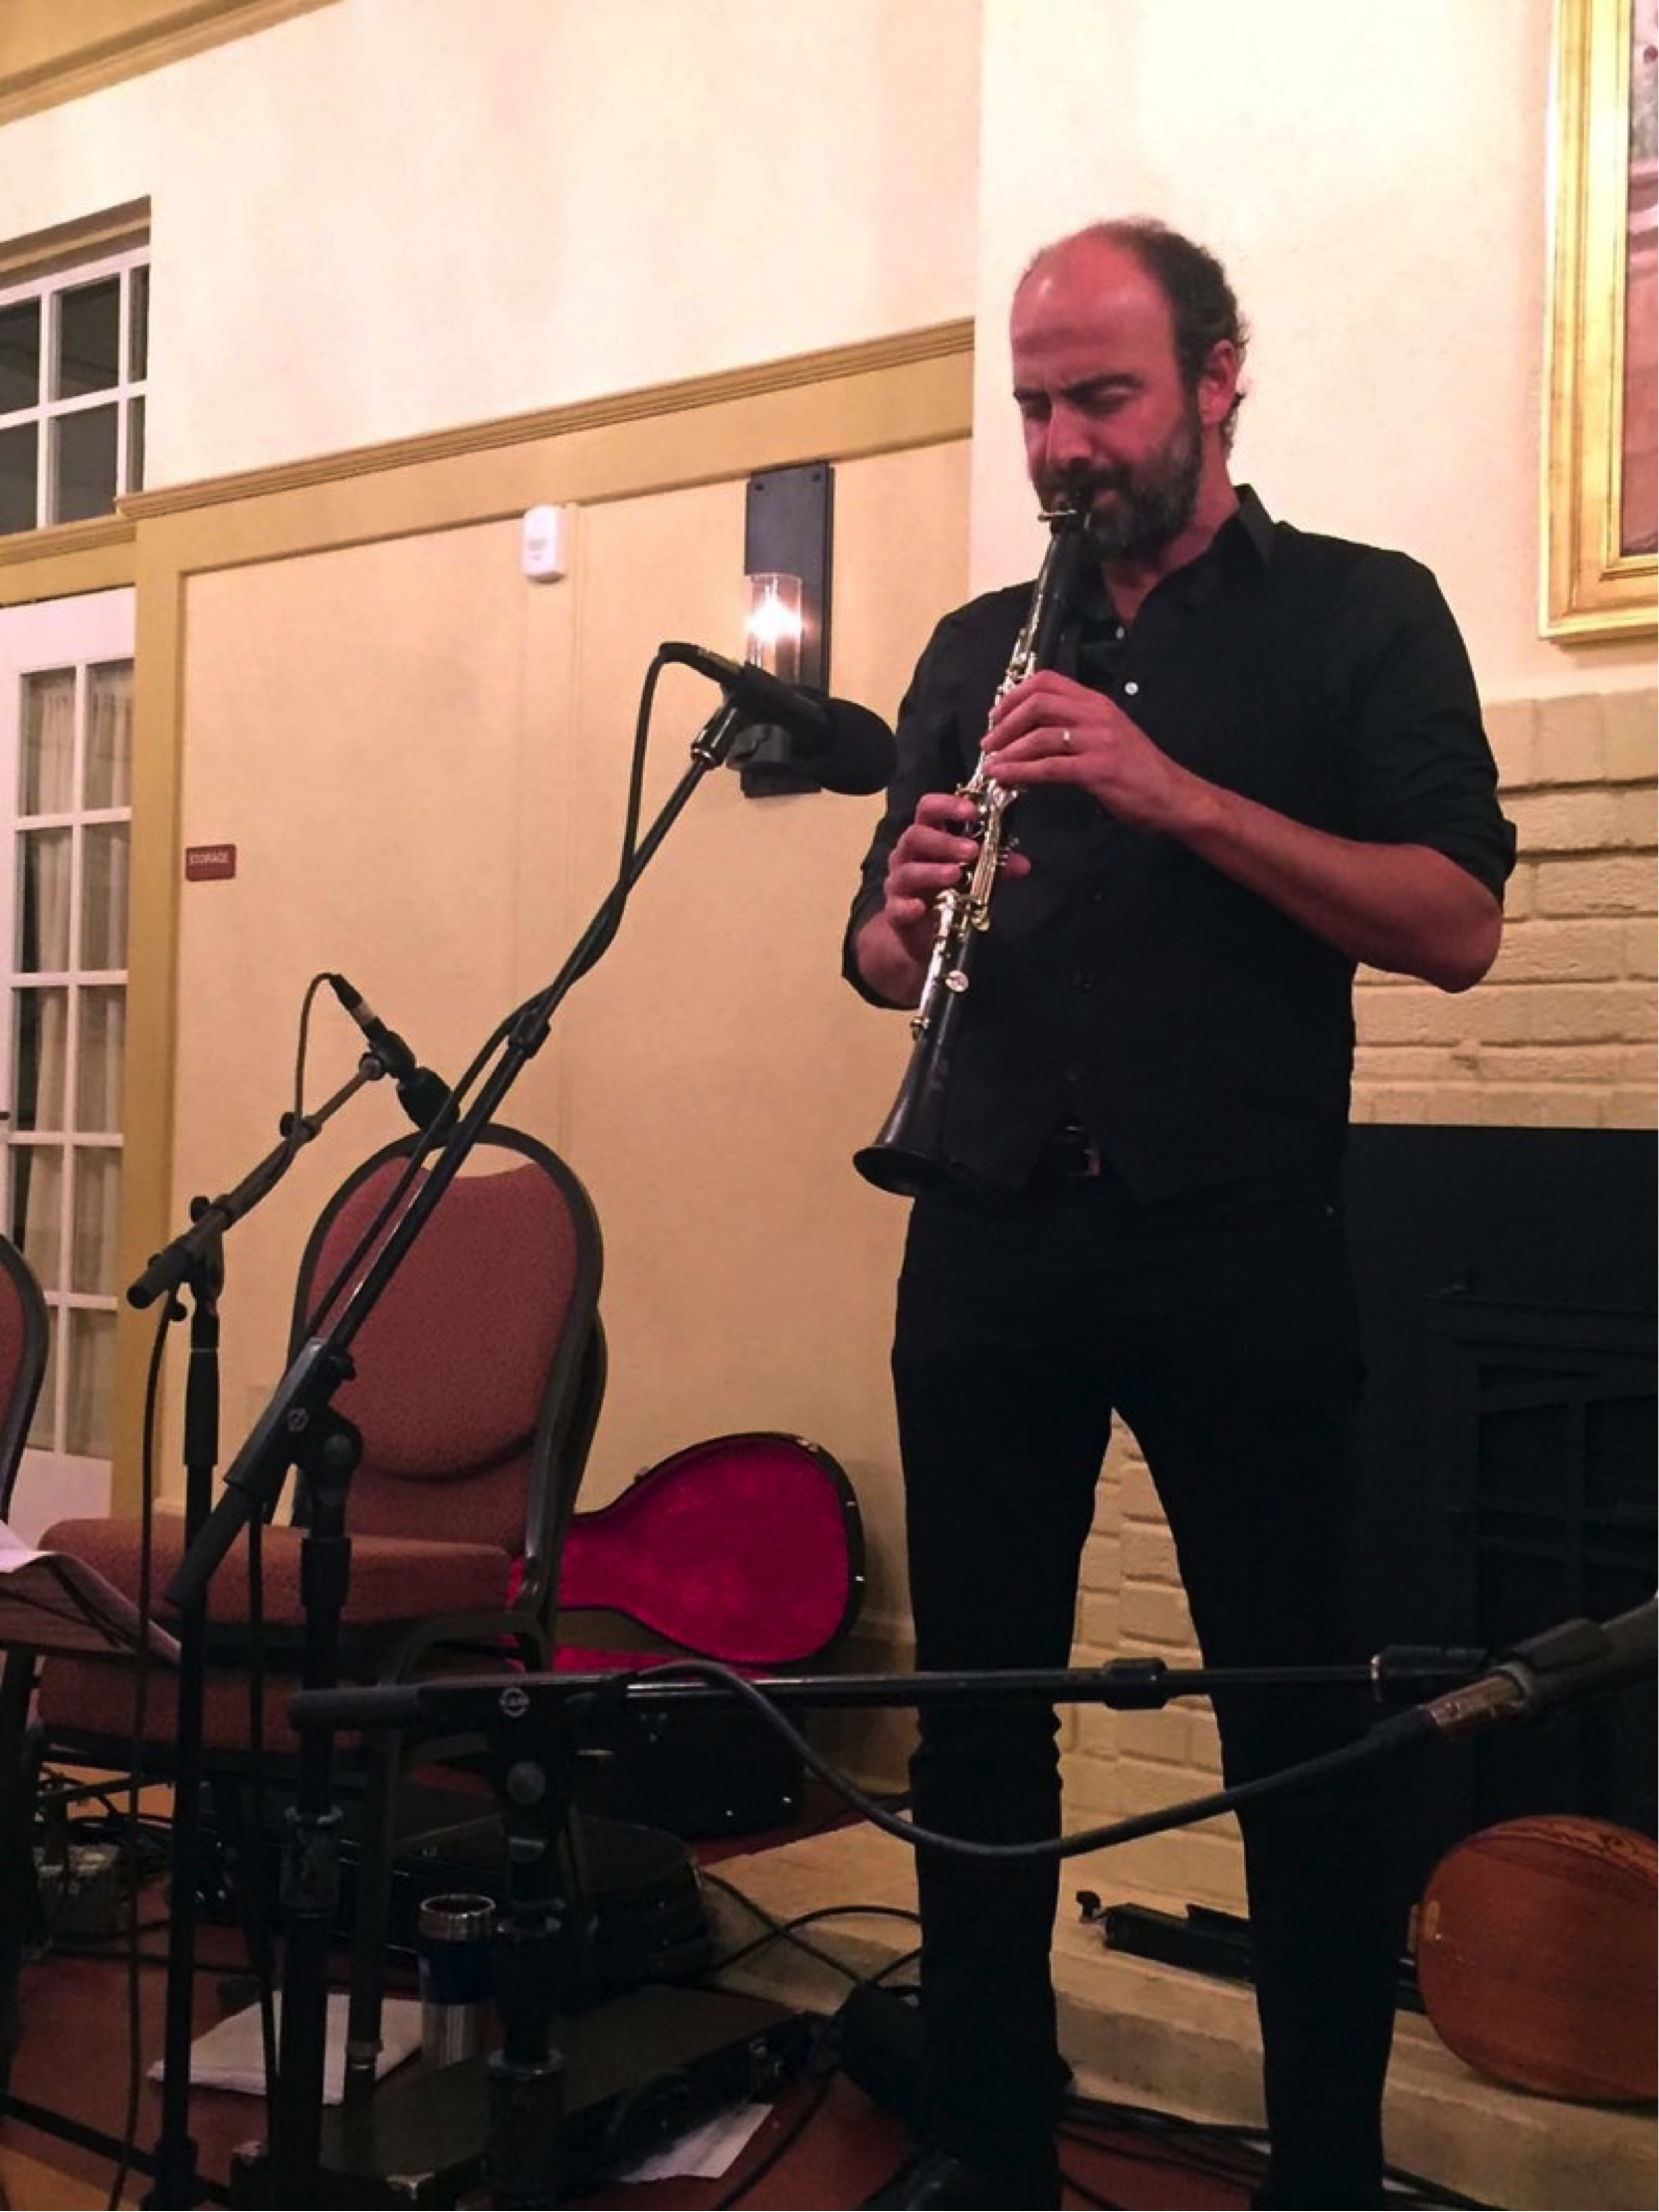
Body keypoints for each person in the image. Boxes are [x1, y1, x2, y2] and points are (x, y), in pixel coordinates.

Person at [842, 218, 1516, 2212]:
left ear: (1218, 376)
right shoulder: (975, 647)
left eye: (1099, 397)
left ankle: (1319, 2170)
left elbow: (1458, 923)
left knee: (1297, 1741)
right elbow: (888, 962)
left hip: (1233, 1245)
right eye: (1032, 405)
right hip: (978, 1241)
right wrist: (887, 927)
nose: (1058, 443)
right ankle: (985, 2147)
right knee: (971, 1735)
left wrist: (1171, 792)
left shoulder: (1354, 616)